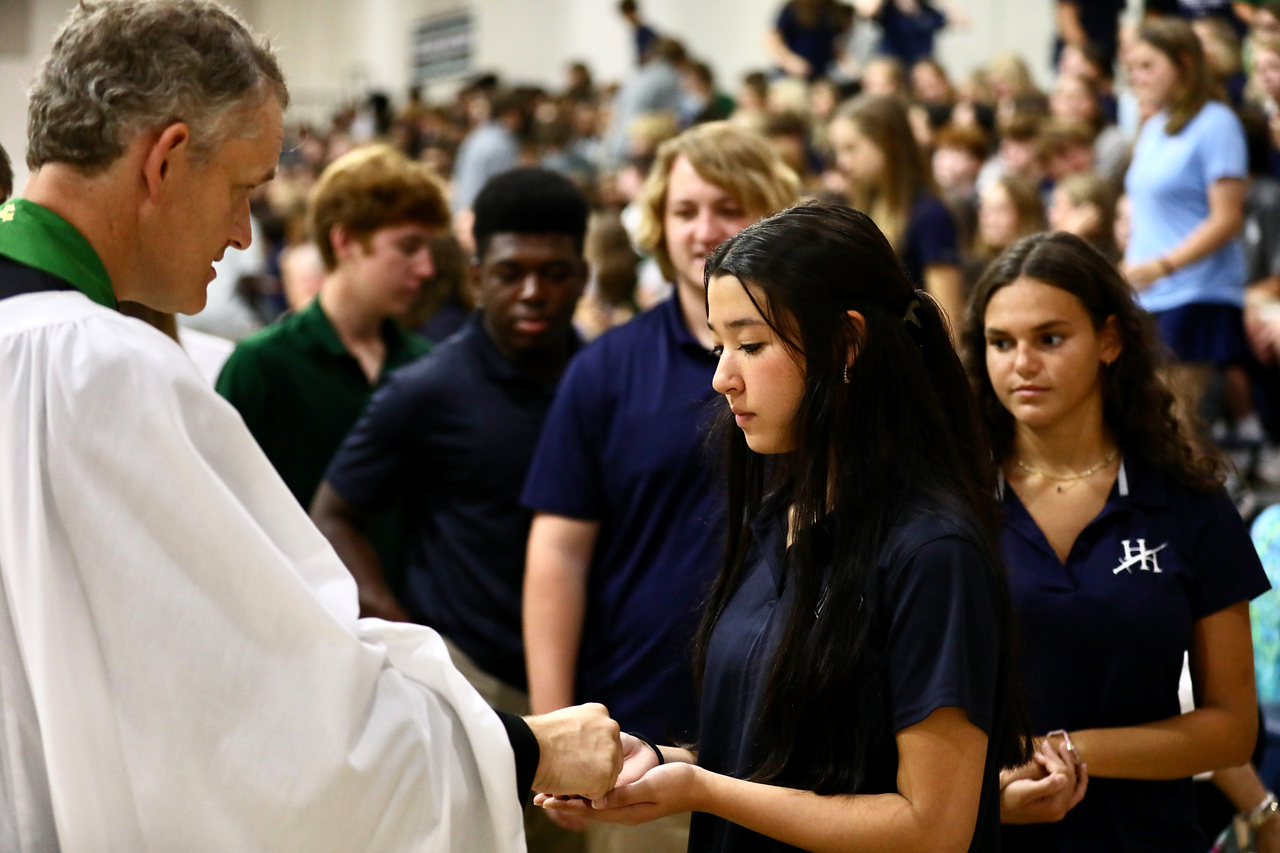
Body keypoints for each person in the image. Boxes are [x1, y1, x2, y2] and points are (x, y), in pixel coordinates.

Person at [0, 2, 622, 848]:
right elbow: (265, 726)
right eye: (242, 189)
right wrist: (523, 748)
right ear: (168, 159)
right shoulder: (102, 368)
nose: (242, 231)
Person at [540, 201, 1031, 853]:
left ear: (846, 344)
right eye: (719, 345)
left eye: (751, 344)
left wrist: (703, 789)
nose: (722, 377)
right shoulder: (781, 515)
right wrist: (662, 760)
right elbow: (782, 758)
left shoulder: (930, 549)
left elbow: (933, 823)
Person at [521, 122, 798, 853]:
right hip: (643, 753)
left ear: (769, 209)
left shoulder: (813, 365)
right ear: (655, 223)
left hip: (794, 749)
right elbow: (558, 554)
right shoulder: (606, 369)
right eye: (683, 210)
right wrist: (556, 731)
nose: (703, 228)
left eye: (726, 205)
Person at [311, 167, 591, 853]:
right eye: (510, 272)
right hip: (477, 679)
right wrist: (411, 637)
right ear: (475, 274)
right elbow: (334, 512)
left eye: (554, 273)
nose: (532, 291)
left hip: (587, 679)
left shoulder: (601, 375)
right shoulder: (429, 386)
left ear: (583, 274)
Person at [960, 231, 1270, 851]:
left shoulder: (1187, 501)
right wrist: (986, 792)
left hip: (1148, 834)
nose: (1022, 364)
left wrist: (1067, 751)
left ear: (1109, 340)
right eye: (1001, 343)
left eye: (1049, 339)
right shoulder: (950, 503)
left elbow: (1232, 730)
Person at [216, 144, 438, 598]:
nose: (427, 268)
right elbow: (224, 523)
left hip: (415, 638)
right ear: (345, 242)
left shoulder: (424, 364)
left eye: (429, 249)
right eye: (408, 247)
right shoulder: (262, 367)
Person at [1123, 18, 1251, 437]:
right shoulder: (1155, 125)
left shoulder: (1216, 123)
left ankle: (1222, 499)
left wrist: (1164, 265)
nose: (1135, 77)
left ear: (1183, 63)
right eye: (1132, 67)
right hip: (1152, 292)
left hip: (1197, 289)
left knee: (1175, 424)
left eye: (1147, 66)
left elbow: (1227, 217)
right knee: (1153, 423)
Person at [830, 93, 964, 324]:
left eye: (851, 149)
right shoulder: (859, 207)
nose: (842, 162)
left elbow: (948, 316)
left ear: (886, 145)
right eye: (839, 151)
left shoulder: (928, 215)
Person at [767, 0, 848, 80]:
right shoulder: (794, 7)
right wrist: (789, 61)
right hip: (793, 76)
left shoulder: (832, 9)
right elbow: (772, 39)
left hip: (822, 75)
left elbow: (837, 43)